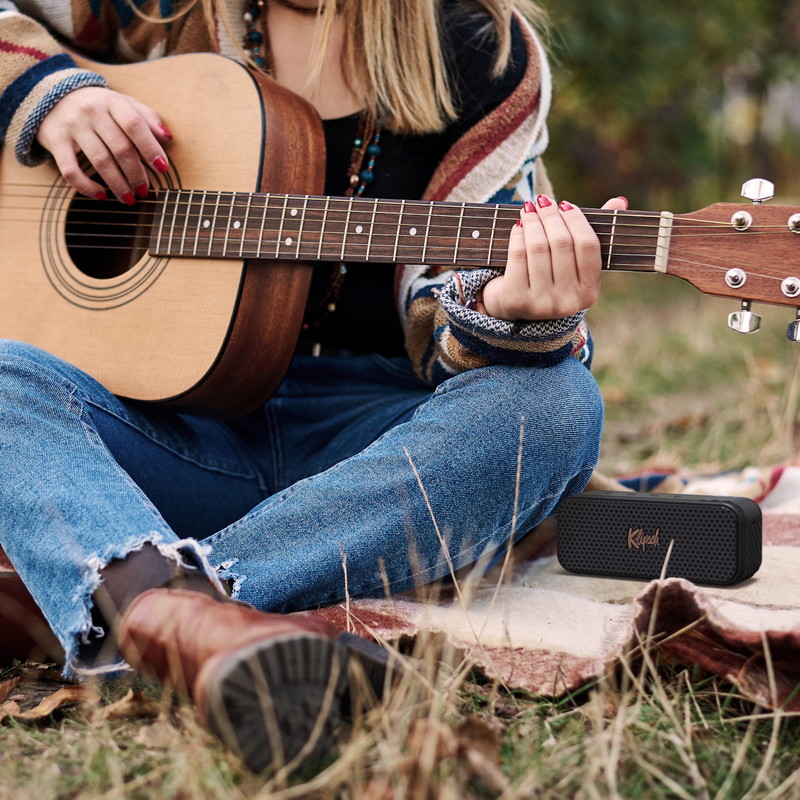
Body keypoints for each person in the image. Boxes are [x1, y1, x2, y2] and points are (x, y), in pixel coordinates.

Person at [0, 0, 626, 774]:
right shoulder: (157, 10)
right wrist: (51, 95)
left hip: (363, 456)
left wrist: (503, 308)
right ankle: (188, 620)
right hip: (171, 433)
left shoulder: (481, 51)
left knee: (555, 406)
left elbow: (452, 302)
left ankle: (151, 611)